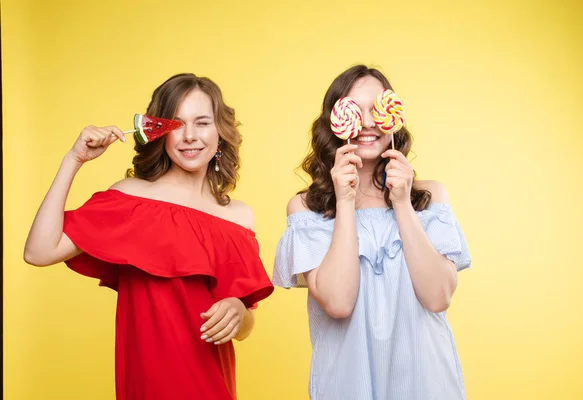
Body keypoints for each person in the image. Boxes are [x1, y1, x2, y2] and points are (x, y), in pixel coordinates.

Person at [24, 73, 274, 400]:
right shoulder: (130, 199)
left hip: (213, 384)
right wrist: (73, 161)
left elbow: (245, 326)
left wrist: (239, 314)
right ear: (160, 133)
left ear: (219, 132)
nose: (189, 136)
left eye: (202, 123)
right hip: (148, 384)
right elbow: (39, 251)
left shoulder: (239, 217)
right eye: (176, 124)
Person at [273, 65, 472, 400]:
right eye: (355, 110)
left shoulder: (430, 198)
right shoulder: (307, 209)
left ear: (393, 116)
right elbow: (338, 302)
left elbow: (439, 297)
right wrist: (345, 200)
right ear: (334, 122)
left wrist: (403, 204)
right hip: (348, 384)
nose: (367, 123)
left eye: (377, 109)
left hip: (426, 383)